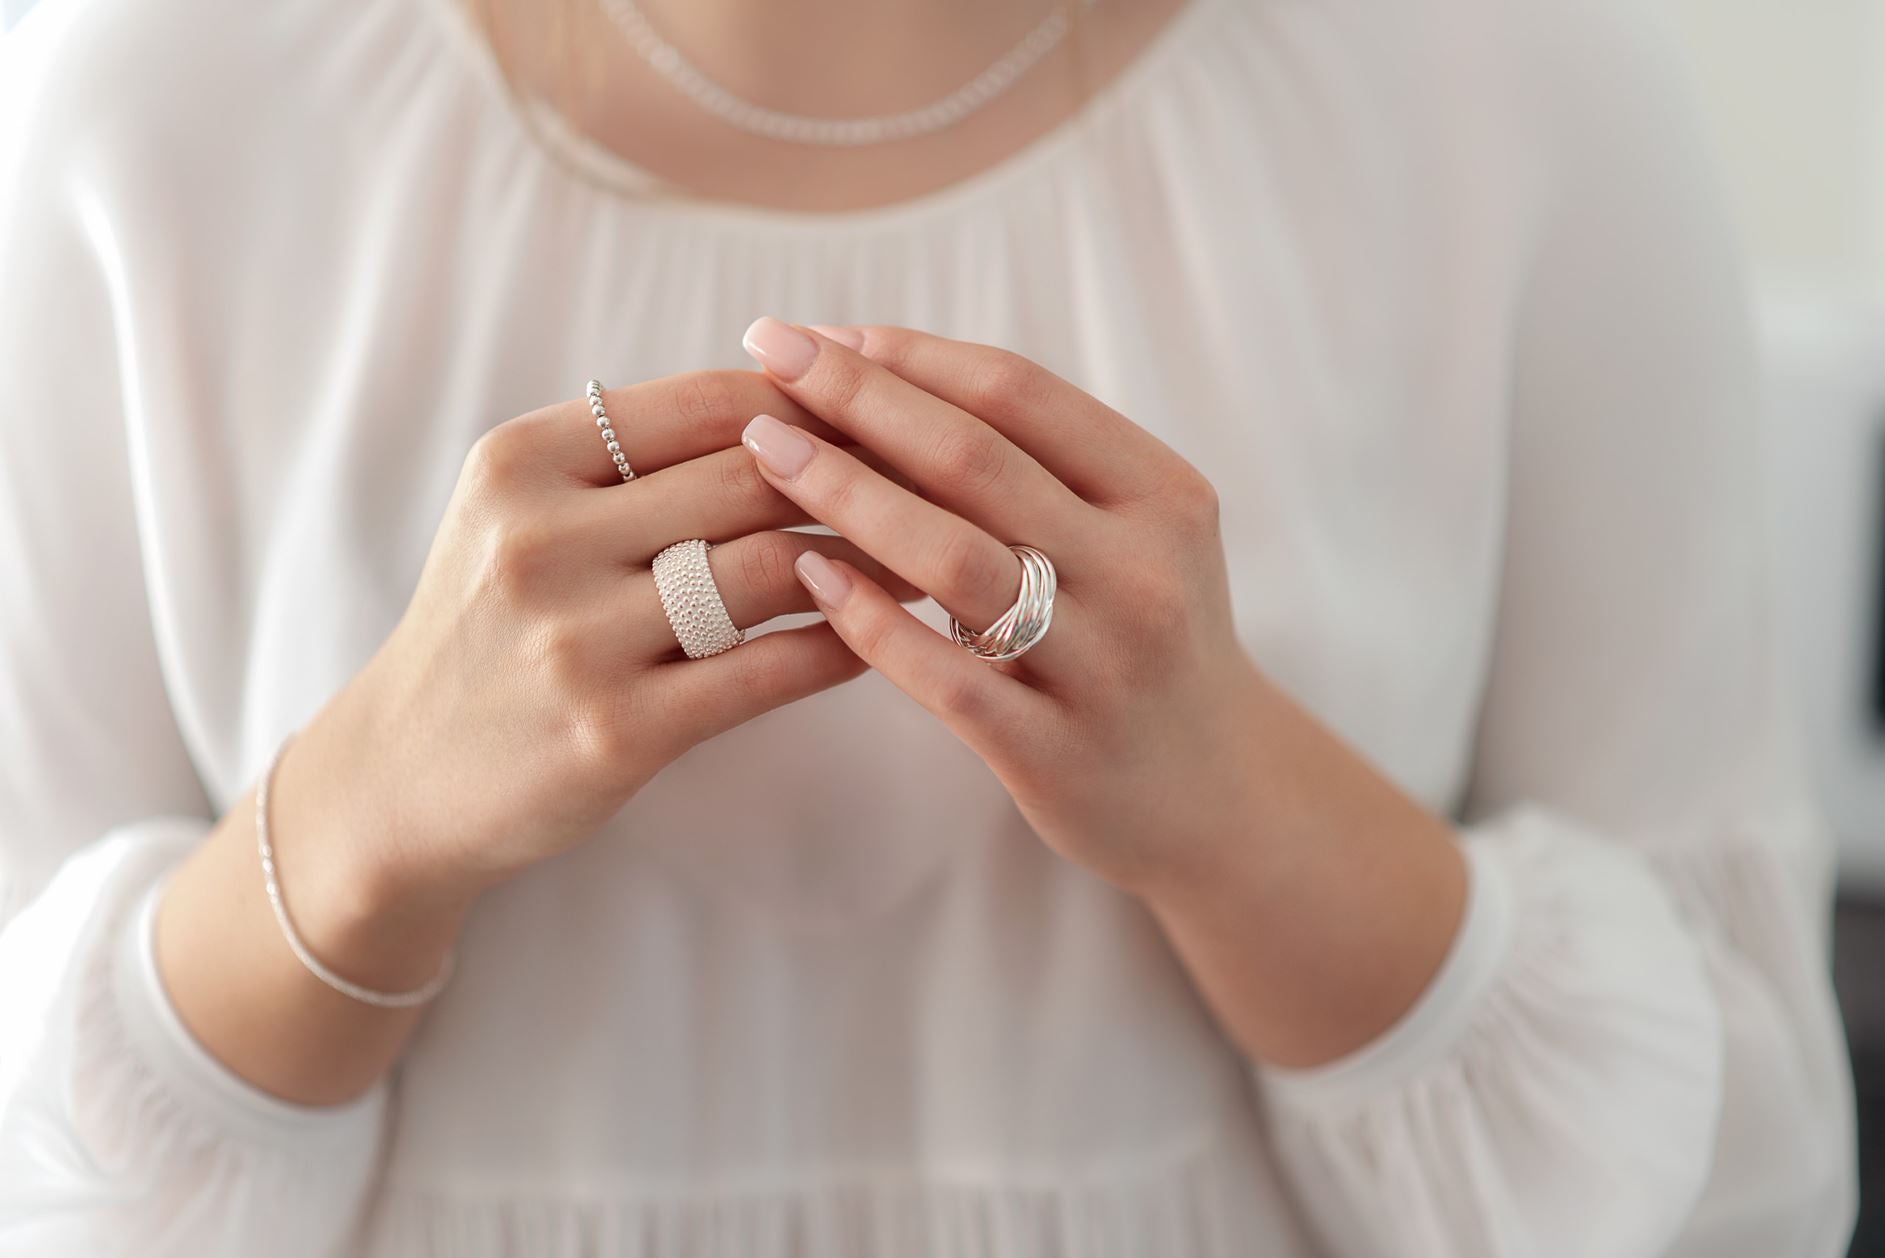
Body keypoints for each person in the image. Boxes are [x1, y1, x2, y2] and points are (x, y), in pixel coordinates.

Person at [0, 0, 1859, 1254]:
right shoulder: (149, 107)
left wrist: (1233, 808)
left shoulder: (1505, 82)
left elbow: (1744, 1167)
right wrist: (357, 829)